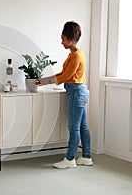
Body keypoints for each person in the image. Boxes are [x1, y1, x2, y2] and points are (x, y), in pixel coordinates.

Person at [36, 21, 93, 169]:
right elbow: (62, 74)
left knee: (74, 128)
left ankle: (70, 159)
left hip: (76, 92)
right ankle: (86, 156)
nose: (61, 42)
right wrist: (43, 80)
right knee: (83, 127)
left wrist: (45, 82)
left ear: (71, 38)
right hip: (78, 91)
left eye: (63, 39)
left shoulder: (76, 56)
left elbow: (66, 76)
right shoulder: (73, 55)